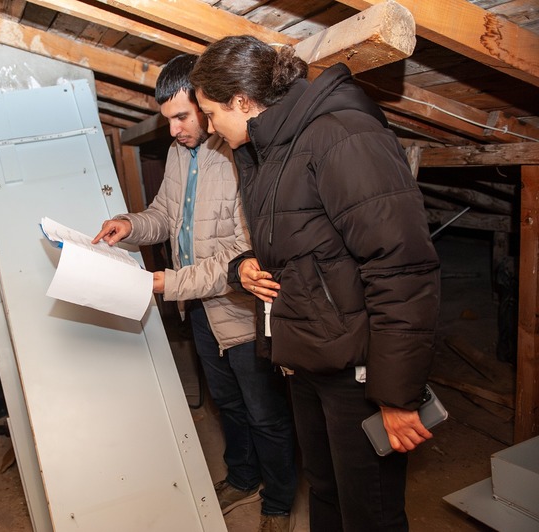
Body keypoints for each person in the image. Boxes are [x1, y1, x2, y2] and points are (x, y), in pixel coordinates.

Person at [189, 36, 441, 531]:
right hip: (306, 356)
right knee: (325, 491)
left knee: (369, 511)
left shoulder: (342, 137)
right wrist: (245, 265)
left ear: (242, 101)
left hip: (356, 369)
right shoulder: (270, 149)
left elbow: (402, 267)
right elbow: (302, 243)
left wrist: (395, 395)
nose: (209, 126)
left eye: (211, 113)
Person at [92, 53, 297, 531]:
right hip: (200, 309)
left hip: (244, 313)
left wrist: (166, 283)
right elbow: (165, 215)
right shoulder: (178, 152)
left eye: (183, 116)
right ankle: (243, 477)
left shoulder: (242, 153)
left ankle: (278, 503)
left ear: (208, 103)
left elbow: (239, 255)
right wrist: (130, 224)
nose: (175, 129)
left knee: (265, 413)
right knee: (228, 403)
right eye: (168, 120)